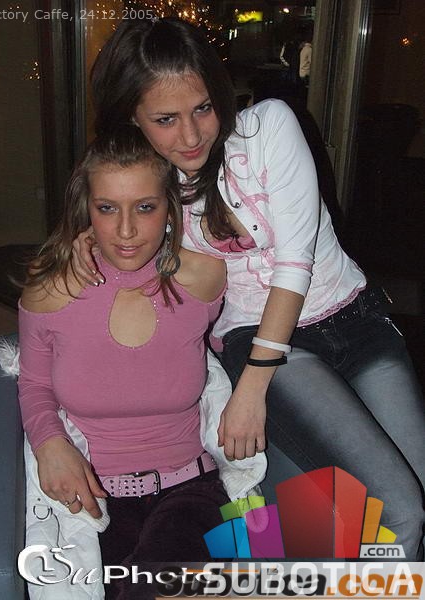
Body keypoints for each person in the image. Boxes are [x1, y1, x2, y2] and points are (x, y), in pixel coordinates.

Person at [72, 17, 425, 560]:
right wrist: (86, 243)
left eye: (202, 109)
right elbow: (119, 233)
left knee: (417, 498)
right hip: (265, 344)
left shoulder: (267, 128)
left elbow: (294, 262)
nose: (191, 136)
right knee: (398, 509)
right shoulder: (152, 190)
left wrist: (249, 392)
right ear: (132, 119)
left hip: (355, 321)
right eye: (165, 119)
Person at [18, 127, 231, 598]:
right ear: (87, 209)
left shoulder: (205, 277)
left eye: (145, 207)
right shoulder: (51, 289)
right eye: (108, 208)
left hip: (192, 493)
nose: (127, 231)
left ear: (171, 207)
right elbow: (32, 381)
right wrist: (49, 444)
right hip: (92, 501)